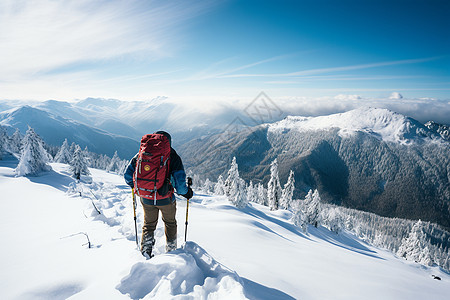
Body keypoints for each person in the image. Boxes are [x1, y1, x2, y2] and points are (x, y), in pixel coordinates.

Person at [124, 131, 193, 258]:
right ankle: (171, 251)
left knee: (148, 225)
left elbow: (127, 176)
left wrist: (138, 187)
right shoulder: (173, 156)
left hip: (146, 198)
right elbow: (180, 185)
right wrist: (187, 193)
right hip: (165, 199)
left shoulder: (142, 153)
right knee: (170, 223)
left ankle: (146, 251)